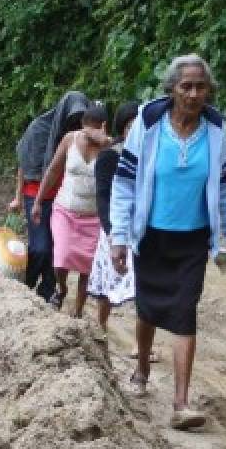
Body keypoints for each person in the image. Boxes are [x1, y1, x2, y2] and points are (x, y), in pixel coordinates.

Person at [110, 54, 226, 430]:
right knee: (148, 308)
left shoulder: (216, 130)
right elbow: (124, 183)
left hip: (193, 239)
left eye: (201, 86)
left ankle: (181, 403)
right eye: (186, 86)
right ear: (171, 89)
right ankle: (140, 370)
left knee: (185, 312)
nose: (194, 93)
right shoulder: (148, 123)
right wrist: (119, 236)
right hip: (151, 235)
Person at [11, 91, 91, 302]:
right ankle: (21, 287)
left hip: (63, 200)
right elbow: (23, 162)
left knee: (56, 252)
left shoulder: (79, 136)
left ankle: (45, 296)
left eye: (81, 117)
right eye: (73, 116)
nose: (76, 121)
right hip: (34, 194)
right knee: (40, 247)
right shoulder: (38, 128)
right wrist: (17, 197)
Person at [31, 102, 110, 314]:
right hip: (65, 210)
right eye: (87, 128)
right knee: (61, 256)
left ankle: (78, 310)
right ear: (82, 125)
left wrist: (107, 143)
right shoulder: (70, 139)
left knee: (88, 267)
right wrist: (38, 201)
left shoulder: (109, 148)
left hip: (94, 217)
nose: (89, 133)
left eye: (95, 128)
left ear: (104, 126)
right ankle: (62, 287)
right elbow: (53, 170)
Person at [88, 101, 141, 331]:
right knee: (108, 285)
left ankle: (142, 346)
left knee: (141, 288)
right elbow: (102, 197)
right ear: (123, 128)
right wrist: (111, 232)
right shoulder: (110, 156)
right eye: (131, 125)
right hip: (115, 228)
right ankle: (101, 325)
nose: (136, 130)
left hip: (142, 229)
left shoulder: (153, 157)